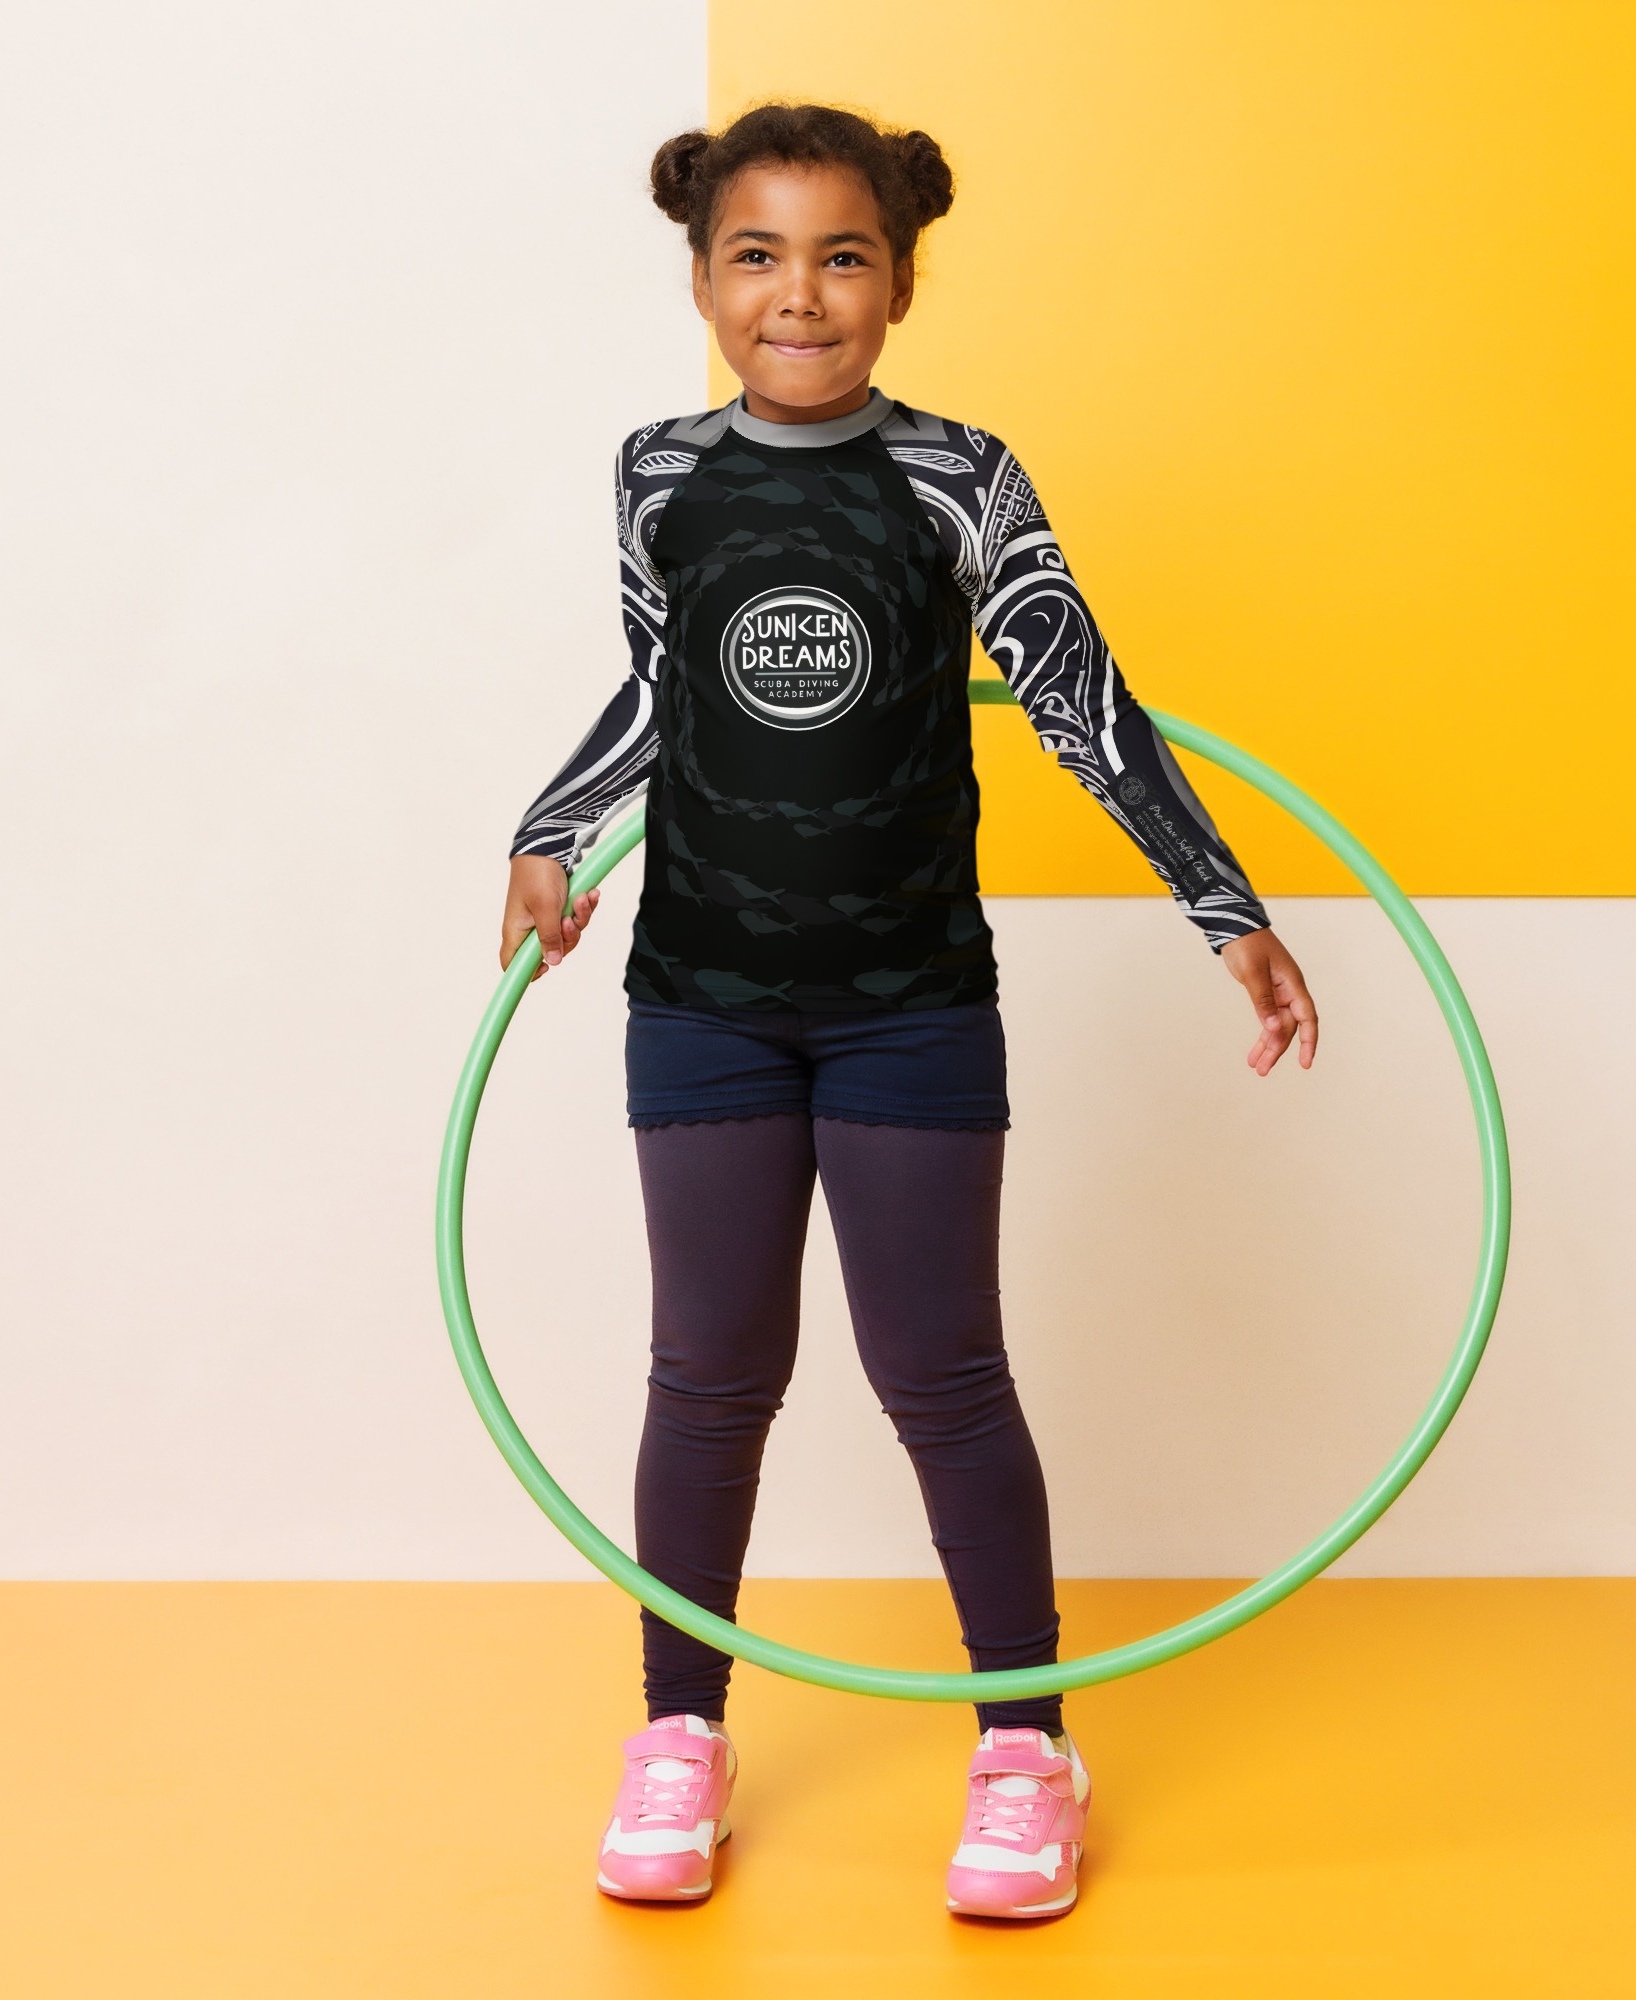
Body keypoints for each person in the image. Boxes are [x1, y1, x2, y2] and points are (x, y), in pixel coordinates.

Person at [501, 102, 1318, 1921]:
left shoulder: (960, 479)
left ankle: (1025, 1747)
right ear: (703, 281)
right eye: (758, 256)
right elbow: (656, 693)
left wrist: (1223, 907)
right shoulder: (658, 473)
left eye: (842, 257)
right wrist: (551, 832)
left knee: (941, 1375)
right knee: (709, 1376)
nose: (799, 295)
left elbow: (1085, 703)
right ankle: (679, 1732)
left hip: (912, 1009)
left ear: (899, 284)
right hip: (702, 997)